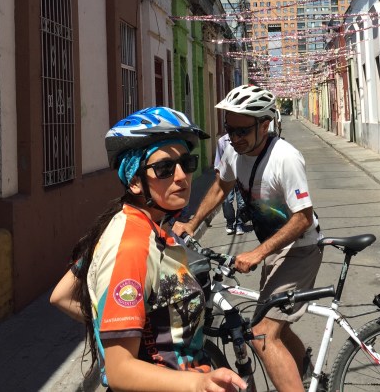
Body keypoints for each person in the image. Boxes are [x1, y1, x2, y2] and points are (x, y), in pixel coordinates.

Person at [50, 106, 246, 392]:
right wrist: (197, 382)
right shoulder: (131, 243)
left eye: (186, 163)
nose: (181, 176)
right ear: (134, 180)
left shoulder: (132, 224)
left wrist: (131, 328)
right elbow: (119, 371)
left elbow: (62, 294)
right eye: (165, 168)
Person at [175, 85, 321, 392]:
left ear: (265, 125)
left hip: (300, 247)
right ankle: (304, 371)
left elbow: (303, 218)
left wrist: (256, 253)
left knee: (262, 333)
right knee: (273, 323)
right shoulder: (231, 148)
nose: (235, 137)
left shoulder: (286, 158)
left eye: (243, 130)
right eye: (230, 128)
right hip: (274, 249)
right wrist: (191, 223)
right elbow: (220, 186)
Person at [215, 133, 245, 236]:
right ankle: (230, 222)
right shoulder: (222, 141)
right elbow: (218, 162)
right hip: (227, 177)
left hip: (241, 176)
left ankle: (239, 224)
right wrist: (218, 181)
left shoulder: (244, 139)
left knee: (242, 203)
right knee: (227, 201)